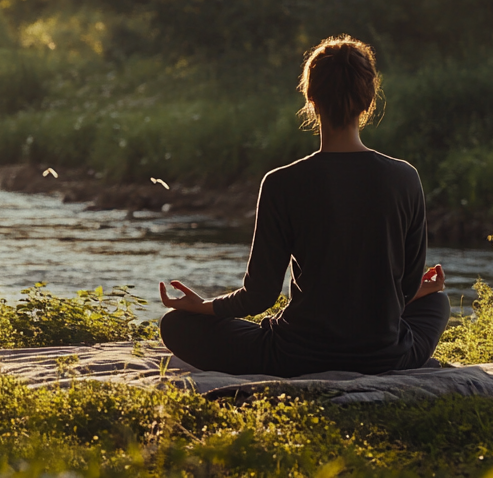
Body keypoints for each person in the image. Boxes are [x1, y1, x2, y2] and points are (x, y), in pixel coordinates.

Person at [157, 35, 450, 376]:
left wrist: (205, 307)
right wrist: (420, 291)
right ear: (368, 100)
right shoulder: (405, 178)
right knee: (437, 302)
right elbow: (403, 290)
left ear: (311, 99)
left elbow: (259, 296)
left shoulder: (282, 182)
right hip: (385, 355)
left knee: (176, 325)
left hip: (295, 356)